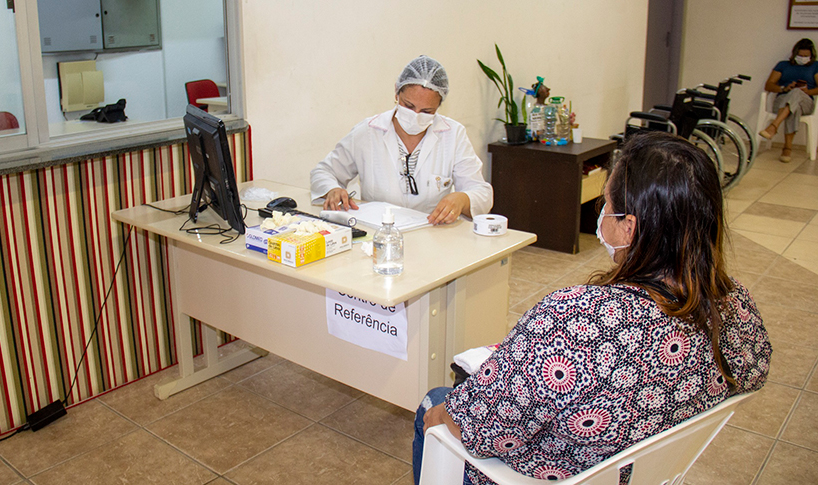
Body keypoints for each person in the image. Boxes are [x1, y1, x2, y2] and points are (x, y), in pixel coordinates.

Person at [412, 131, 772, 485]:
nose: (602, 214)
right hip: (636, 468)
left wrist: (448, 411)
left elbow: (473, 425)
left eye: (607, 206)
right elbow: (754, 374)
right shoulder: (736, 304)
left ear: (628, 228)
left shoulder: (575, 319)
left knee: (436, 403)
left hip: (557, 471)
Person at [310, 55, 493, 225]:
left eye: (426, 111)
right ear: (397, 93)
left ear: (439, 107)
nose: (415, 116)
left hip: (433, 236)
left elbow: (482, 193)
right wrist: (332, 189)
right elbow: (323, 172)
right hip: (379, 233)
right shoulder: (368, 132)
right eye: (408, 105)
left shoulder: (453, 134)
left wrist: (463, 199)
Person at [760, 38, 818, 162]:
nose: (802, 58)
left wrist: (808, 91)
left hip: (806, 102)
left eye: (806, 56)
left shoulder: (815, 66)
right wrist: (784, 88)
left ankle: (774, 126)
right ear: (794, 54)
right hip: (782, 100)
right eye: (800, 55)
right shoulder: (783, 65)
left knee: (797, 93)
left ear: (811, 56)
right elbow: (769, 85)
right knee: (792, 105)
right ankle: (787, 148)